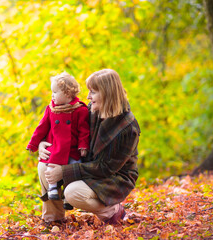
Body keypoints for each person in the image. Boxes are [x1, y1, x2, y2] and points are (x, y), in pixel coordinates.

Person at [38, 69, 140, 224]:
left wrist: (64, 171)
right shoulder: (91, 109)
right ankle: (54, 219)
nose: (88, 97)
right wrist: (42, 143)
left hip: (114, 177)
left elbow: (106, 168)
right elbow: (65, 132)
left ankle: (111, 211)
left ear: (107, 93)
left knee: (72, 192)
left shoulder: (127, 128)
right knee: (44, 166)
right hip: (89, 165)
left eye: (93, 92)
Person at [26, 72, 90, 208]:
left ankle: (67, 196)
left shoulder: (80, 110)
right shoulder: (51, 109)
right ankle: (53, 189)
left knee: (74, 167)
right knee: (50, 166)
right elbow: (41, 127)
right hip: (57, 148)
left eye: (55, 92)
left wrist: (83, 146)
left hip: (72, 150)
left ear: (67, 94)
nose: (52, 95)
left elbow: (84, 130)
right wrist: (34, 144)